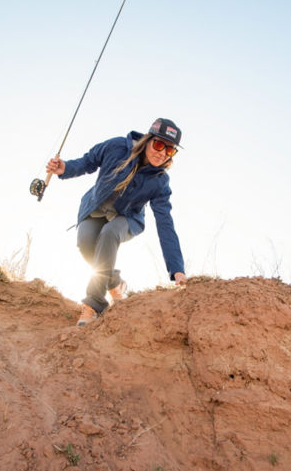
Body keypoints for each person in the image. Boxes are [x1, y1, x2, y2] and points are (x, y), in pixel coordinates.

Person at [45, 118, 188, 326]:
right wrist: (65, 168)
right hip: (94, 209)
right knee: (86, 245)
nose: (162, 153)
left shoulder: (160, 181)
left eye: (170, 150)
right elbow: (88, 161)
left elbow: (165, 223)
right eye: (158, 144)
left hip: (128, 219)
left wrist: (177, 270)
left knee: (110, 233)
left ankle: (93, 304)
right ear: (148, 139)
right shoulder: (117, 146)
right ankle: (114, 282)